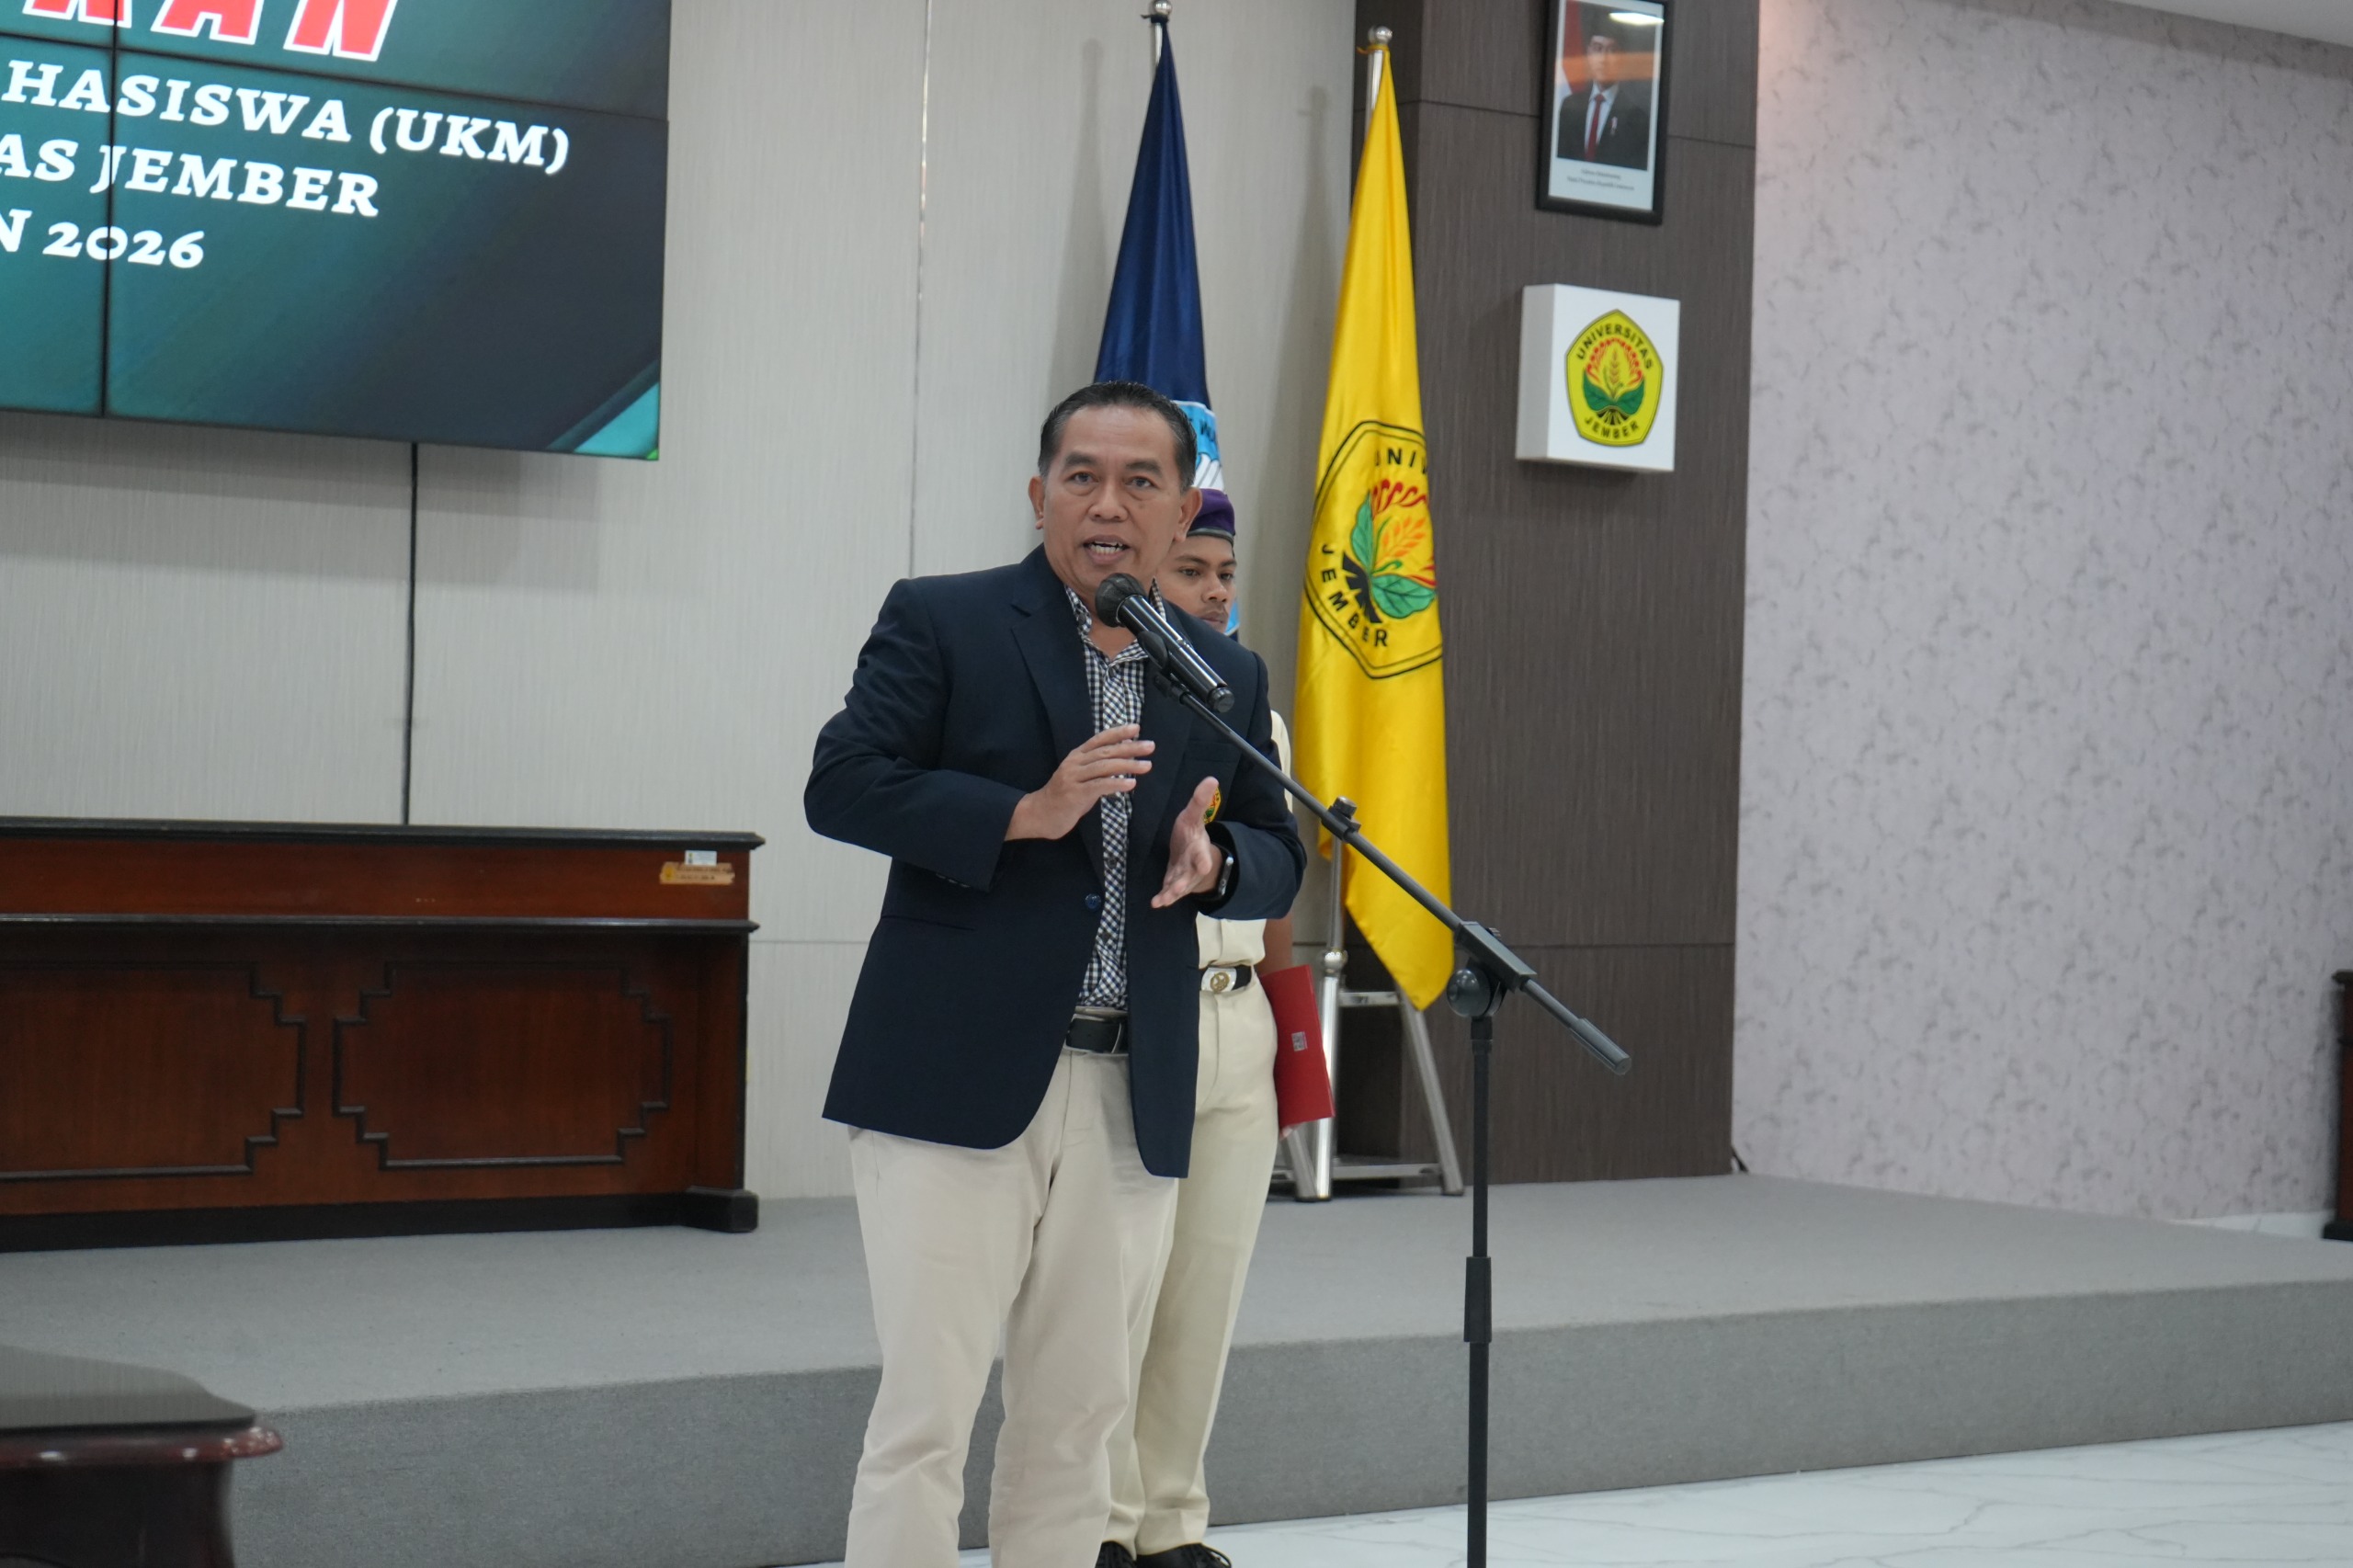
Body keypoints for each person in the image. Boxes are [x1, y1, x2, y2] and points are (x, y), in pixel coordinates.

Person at [805, 381, 1306, 1568]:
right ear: (1039, 496)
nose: (1107, 504)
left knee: (1079, 1427)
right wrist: (1020, 811)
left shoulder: (1222, 672)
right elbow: (844, 781)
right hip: (955, 1073)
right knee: (926, 1417)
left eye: (1140, 482)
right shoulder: (947, 618)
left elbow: (1278, 846)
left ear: (1181, 511)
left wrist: (1220, 861)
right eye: (1081, 477)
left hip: (1133, 1083)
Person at [1100, 494, 1297, 1568]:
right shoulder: (1113, 695)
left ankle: (1172, 1521)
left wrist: (1291, 1032)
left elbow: (1277, 867)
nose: (1216, 592)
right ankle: (1103, 1522)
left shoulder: (1246, 697)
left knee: (1204, 1290)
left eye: (1225, 572)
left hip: (1238, 1015)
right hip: (1146, 1017)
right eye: (1192, 571)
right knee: (1117, 1293)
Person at [1554, 18, 1652, 170]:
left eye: (1611, 50)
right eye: (1597, 48)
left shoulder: (1637, 118)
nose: (1603, 59)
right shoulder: (1570, 105)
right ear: (1588, 53)